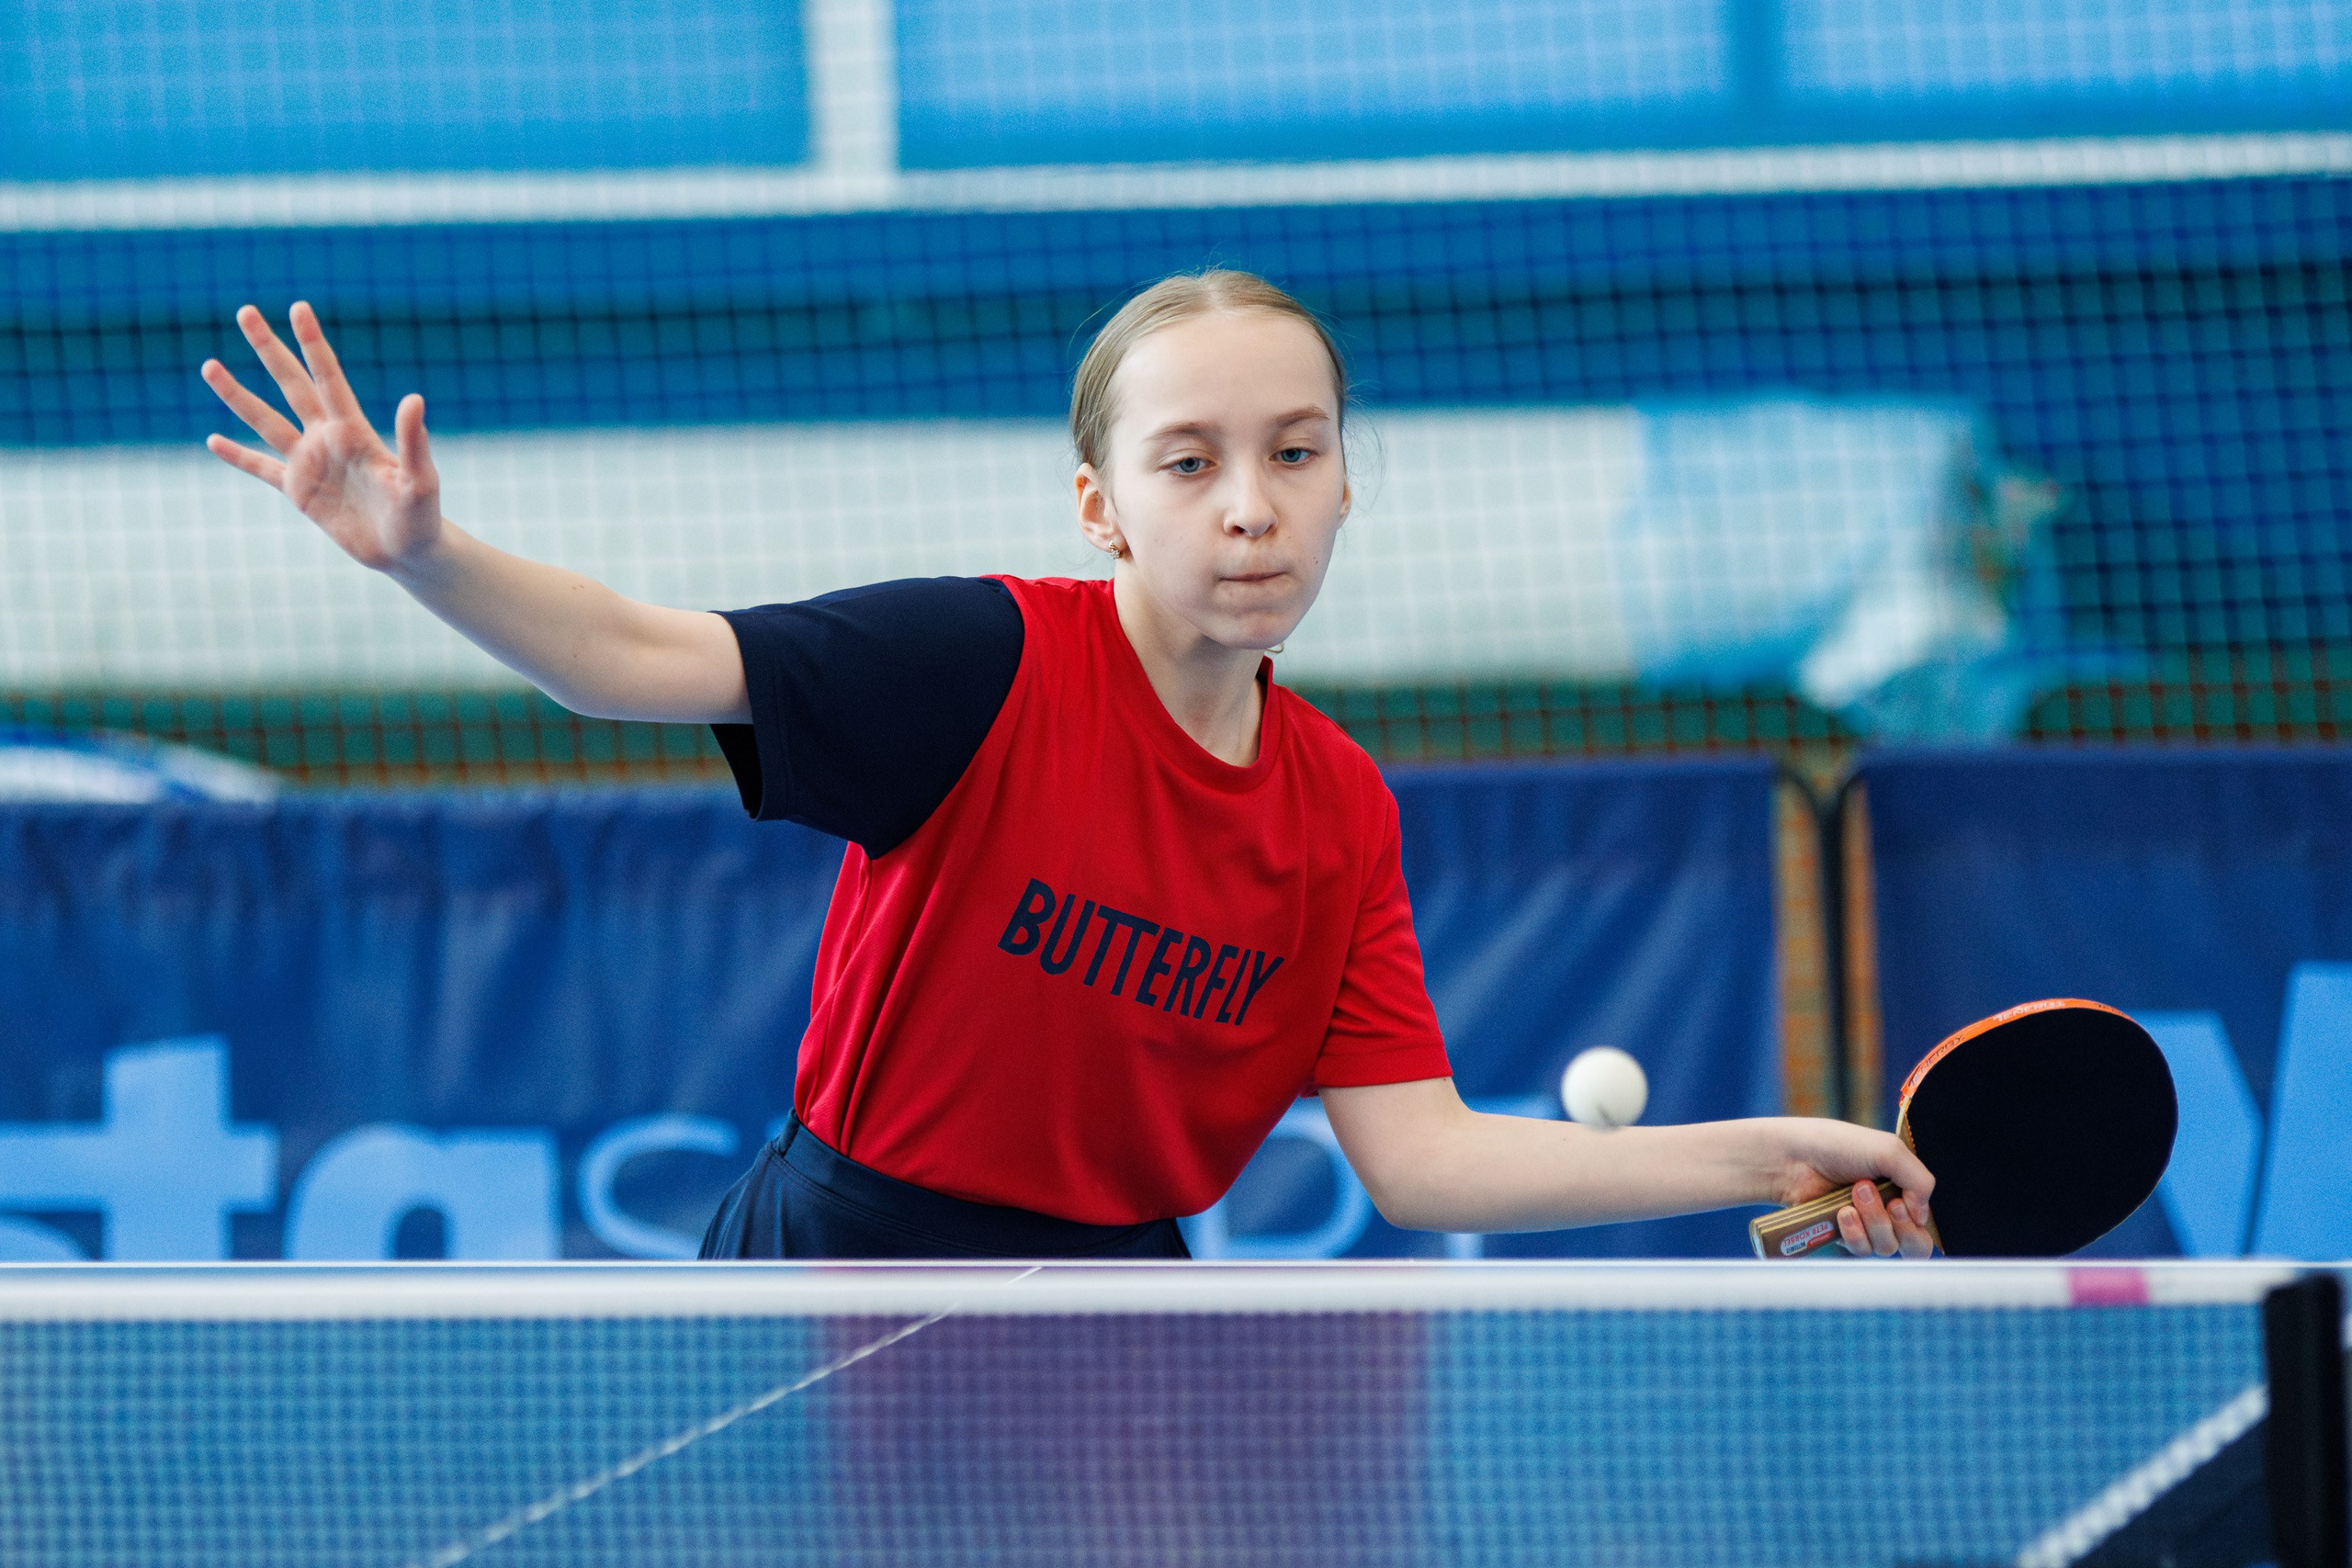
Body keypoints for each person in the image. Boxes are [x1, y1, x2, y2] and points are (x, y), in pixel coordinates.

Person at [198, 269, 1937, 1261]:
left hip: (1118, 1299)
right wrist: (426, 557)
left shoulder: (1337, 808)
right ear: (1102, 506)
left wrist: (1763, 1151)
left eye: (1295, 453)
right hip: (834, 1268)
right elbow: (633, 662)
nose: (1249, 505)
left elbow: (1427, 1164)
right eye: (1189, 462)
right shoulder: (977, 664)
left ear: (1346, 483)